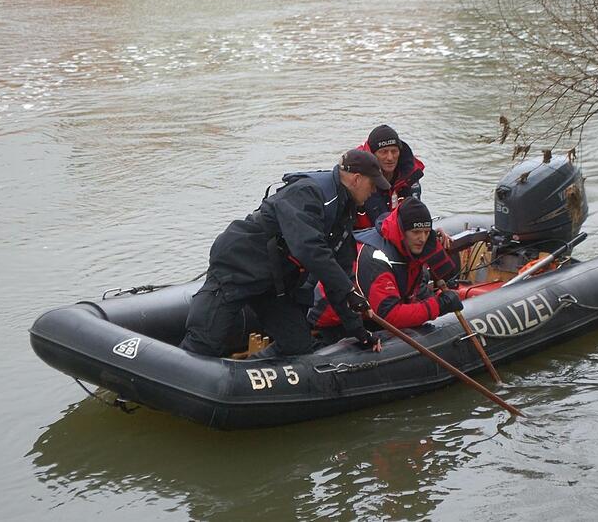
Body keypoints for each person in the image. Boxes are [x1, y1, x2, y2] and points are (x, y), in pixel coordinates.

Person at [180, 149, 389, 359]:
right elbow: (309, 248)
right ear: (356, 179)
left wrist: (358, 331)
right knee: (203, 343)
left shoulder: (344, 212)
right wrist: (347, 291)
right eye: (372, 185)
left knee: (296, 345)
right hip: (239, 267)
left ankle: (247, 378)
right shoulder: (308, 193)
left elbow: (339, 274)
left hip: (275, 284)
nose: (374, 192)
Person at [309, 197, 462, 341]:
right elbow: (390, 315)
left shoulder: (414, 245)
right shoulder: (376, 258)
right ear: (402, 231)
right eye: (416, 232)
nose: (422, 238)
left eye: (426, 232)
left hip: (369, 312)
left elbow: (441, 270)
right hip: (334, 324)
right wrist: (438, 306)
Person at [354, 124, 426, 230]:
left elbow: (416, 216)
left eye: (394, 151)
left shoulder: (409, 177)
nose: (390, 158)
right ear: (373, 155)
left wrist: (431, 232)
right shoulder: (359, 181)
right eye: (383, 152)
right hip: (364, 237)